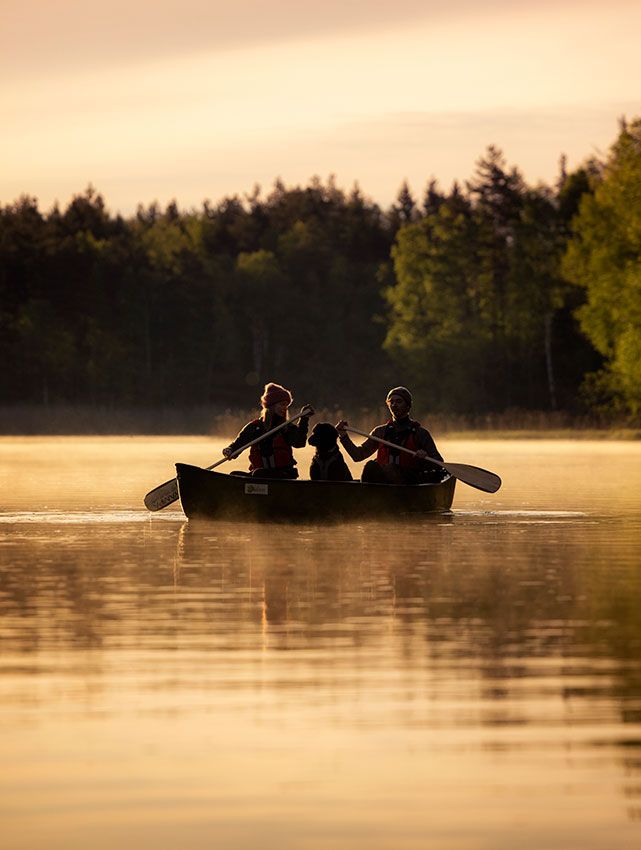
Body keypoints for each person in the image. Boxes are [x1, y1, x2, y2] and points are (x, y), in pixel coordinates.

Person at [335, 386, 444, 485]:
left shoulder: (420, 433)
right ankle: (369, 497)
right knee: (370, 466)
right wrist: (343, 436)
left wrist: (425, 458)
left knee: (391, 468)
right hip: (385, 482)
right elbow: (357, 456)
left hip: (409, 482)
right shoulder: (380, 432)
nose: (394, 405)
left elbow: (439, 464)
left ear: (408, 406)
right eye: (391, 402)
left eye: (399, 402)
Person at [222, 383, 314, 479]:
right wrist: (230, 450)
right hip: (259, 475)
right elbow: (238, 444)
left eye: (286, 405)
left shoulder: (286, 427)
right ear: (271, 406)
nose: (285, 408)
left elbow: (299, 443)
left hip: (283, 475)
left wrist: (304, 419)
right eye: (282, 404)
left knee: (259, 474)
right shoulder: (254, 427)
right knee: (234, 475)